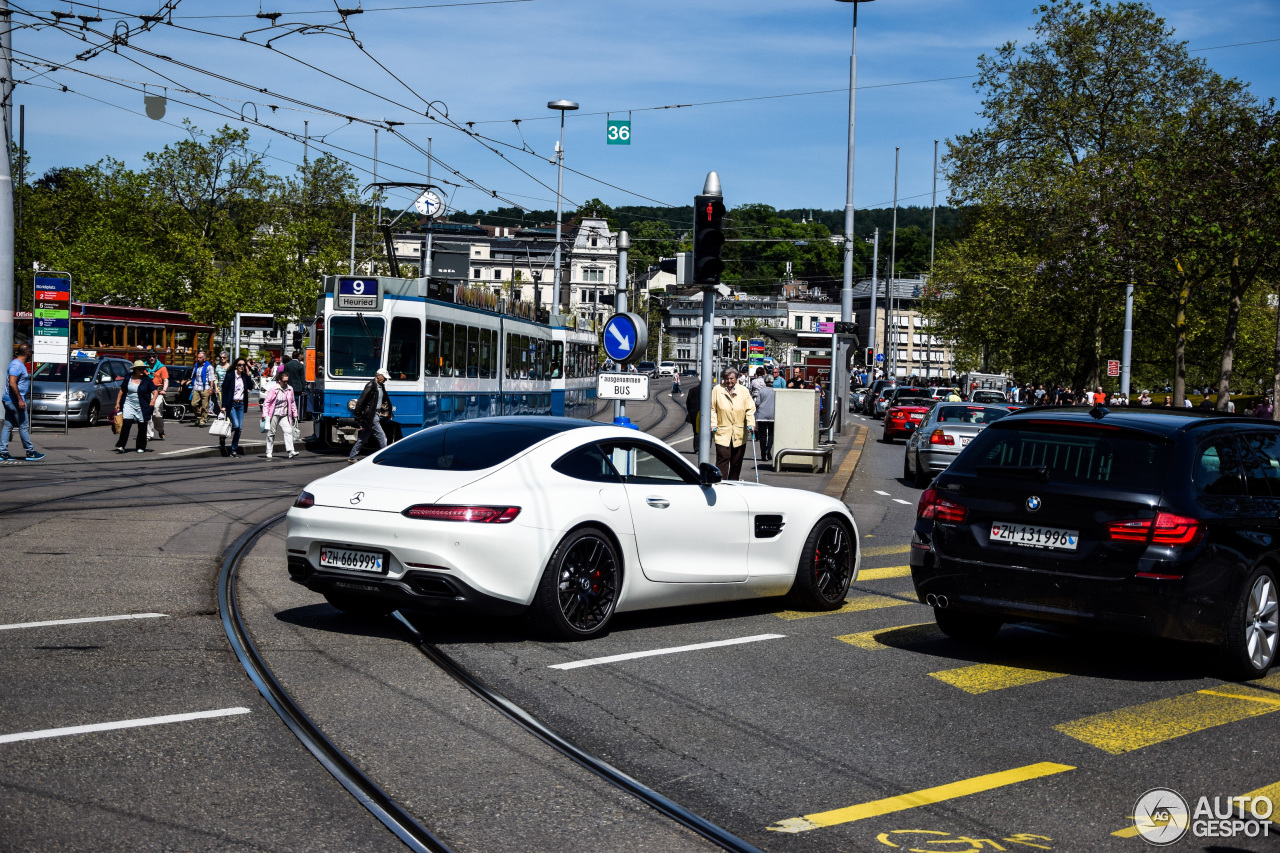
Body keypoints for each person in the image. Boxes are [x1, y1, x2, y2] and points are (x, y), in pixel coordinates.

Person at [710, 368, 756, 480]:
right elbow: (712, 409)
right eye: (727, 379)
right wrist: (713, 424)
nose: (729, 381)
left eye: (731, 379)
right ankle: (721, 483)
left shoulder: (743, 391)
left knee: (736, 461)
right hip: (722, 431)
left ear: (736, 379)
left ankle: (733, 483)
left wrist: (751, 423)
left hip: (739, 432)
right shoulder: (717, 390)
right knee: (722, 459)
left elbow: (749, 409)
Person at [1, 343, 43, 461]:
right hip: (14, 401)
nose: (31, 356)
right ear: (28, 353)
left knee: (8, 425)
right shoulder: (17, 365)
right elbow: (12, 383)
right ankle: (30, 452)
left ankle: (3, 452)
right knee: (23, 426)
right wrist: (20, 399)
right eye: (31, 353)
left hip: (10, 400)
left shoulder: (17, 364)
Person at [113, 360, 158, 454]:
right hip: (128, 404)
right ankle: (121, 445)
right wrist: (117, 403)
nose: (142, 371)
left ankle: (140, 446)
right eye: (140, 369)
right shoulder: (128, 378)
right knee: (126, 424)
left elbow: (155, 391)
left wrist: (153, 400)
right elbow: (122, 391)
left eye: (143, 369)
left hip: (142, 405)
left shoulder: (147, 380)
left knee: (142, 426)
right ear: (135, 370)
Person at [349, 368, 391, 464]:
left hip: (375, 414)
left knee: (363, 437)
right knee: (382, 436)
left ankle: (352, 456)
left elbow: (383, 400)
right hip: (371, 415)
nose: (385, 380)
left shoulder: (381, 386)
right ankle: (386, 457)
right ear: (378, 375)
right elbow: (361, 401)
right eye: (384, 378)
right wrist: (358, 416)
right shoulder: (371, 385)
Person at [219, 357, 253, 457]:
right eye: (239, 365)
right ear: (236, 366)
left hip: (240, 404)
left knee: (239, 428)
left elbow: (250, 387)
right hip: (231, 404)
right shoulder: (230, 376)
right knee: (236, 425)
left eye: (243, 365)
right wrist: (224, 405)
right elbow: (224, 391)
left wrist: (248, 374)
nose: (241, 367)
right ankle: (223, 436)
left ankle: (233, 450)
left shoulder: (244, 376)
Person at [262, 371, 299, 460]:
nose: (286, 383)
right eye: (284, 381)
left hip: (284, 414)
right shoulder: (274, 389)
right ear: (279, 380)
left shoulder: (290, 389)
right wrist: (265, 414)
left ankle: (290, 451)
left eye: (287, 381)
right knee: (271, 433)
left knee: (288, 431)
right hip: (274, 414)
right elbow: (267, 402)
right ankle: (269, 451)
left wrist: (295, 413)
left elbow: (292, 402)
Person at [145, 352, 169, 441]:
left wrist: (164, 390)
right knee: (148, 413)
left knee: (157, 413)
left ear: (156, 357)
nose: (151, 358)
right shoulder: (144, 367)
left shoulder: (162, 367)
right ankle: (149, 434)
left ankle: (160, 430)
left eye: (153, 357)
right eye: (149, 357)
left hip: (158, 391)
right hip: (147, 392)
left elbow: (165, 380)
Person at [752, 371, 776, 463]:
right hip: (772, 415)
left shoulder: (761, 391)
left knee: (762, 436)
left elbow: (757, 403)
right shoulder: (775, 391)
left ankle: (763, 454)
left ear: (765, 382)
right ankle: (768, 450)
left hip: (762, 415)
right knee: (771, 434)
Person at [189, 350, 216, 427]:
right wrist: (192, 384)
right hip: (197, 387)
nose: (198, 359)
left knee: (205, 406)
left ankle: (203, 420)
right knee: (193, 404)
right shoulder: (196, 365)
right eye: (198, 357)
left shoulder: (209, 367)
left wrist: (211, 388)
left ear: (204, 358)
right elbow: (193, 376)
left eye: (200, 357)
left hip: (205, 388)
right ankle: (198, 417)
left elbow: (211, 379)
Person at [283, 351, 307, 423]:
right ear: (298, 357)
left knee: (288, 401)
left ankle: (288, 416)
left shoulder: (287, 365)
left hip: (288, 386)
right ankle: (295, 416)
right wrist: (303, 388)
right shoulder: (300, 365)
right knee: (296, 402)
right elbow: (302, 377)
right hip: (297, 386)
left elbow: (284, 376)